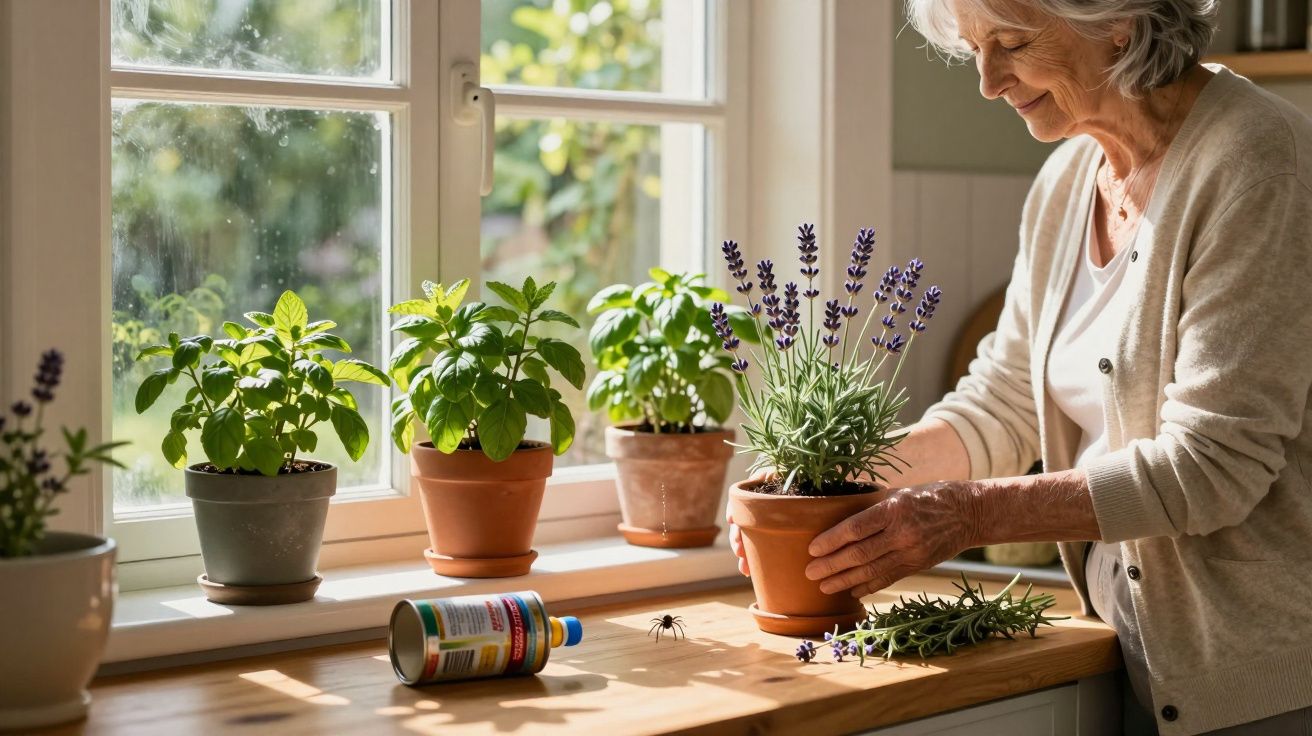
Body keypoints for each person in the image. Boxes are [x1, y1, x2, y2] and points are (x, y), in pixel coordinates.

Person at [728, 1, 1312, 732]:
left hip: (1264, 681)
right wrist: (816, 485)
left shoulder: (1259, 158)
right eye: (975, 48)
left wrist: (966, 514)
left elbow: (1214, 466)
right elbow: (1001, 405)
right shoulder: (1069, 180)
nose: (987, 81)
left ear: (1119, 20)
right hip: (1128, 650)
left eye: (1010, 43)